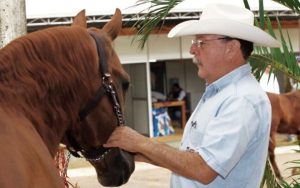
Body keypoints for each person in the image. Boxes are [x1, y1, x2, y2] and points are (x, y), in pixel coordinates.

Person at [104, 3, 280, 187]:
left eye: (201, 42)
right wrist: (136, 152)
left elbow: (203, 168)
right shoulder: (220, 93)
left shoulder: (241, 99)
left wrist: (140, 143)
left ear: (232, 48)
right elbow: (189, 158)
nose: (192, 50)